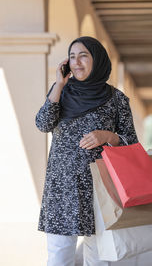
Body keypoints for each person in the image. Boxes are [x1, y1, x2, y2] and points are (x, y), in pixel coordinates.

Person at [35, 36, 138, 266]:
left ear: (97, 59)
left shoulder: (117, 99)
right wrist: (59, 85)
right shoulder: (59, 92)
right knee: (59, 257)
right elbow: (43, 124)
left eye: (83, 56)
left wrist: (109, 136)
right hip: (62, 187)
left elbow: (132, 144)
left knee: (100, 258)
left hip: (102, 188)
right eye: (72, 57)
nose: (77, 62)